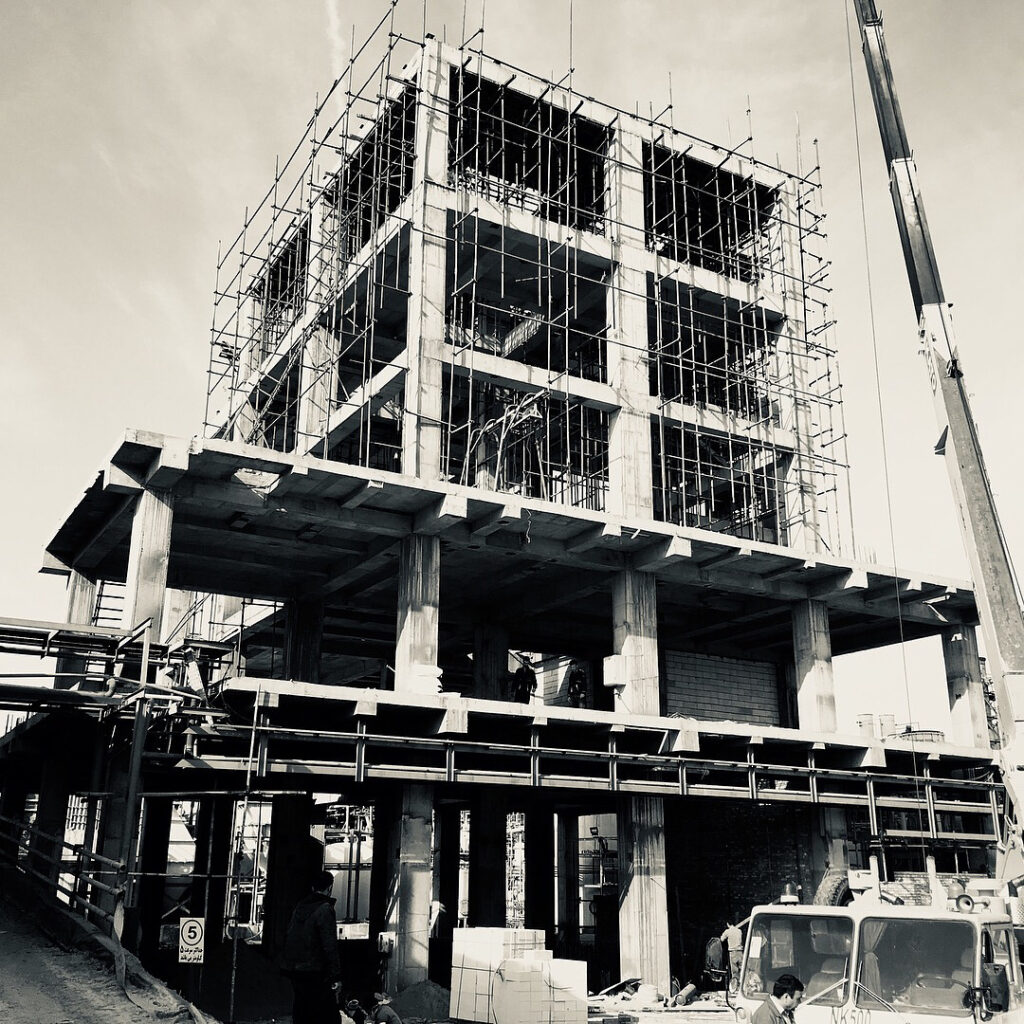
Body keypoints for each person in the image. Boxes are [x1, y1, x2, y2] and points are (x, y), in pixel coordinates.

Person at [281, 869, 342, 1024]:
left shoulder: (299, 907)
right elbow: (329, 945)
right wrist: (335, 975)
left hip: (296, 969)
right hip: (316, 971)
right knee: (327, 1015)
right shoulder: (324, 909)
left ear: (312, 887)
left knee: (302, 1011)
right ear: (329, 888)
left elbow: (289, 936)